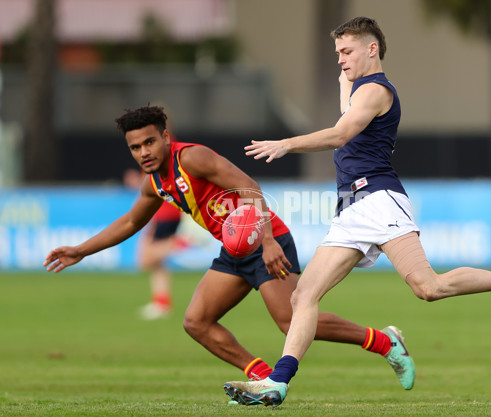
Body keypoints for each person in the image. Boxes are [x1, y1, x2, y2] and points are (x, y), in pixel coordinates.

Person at [222, 16, 491, 407]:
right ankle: (278, 383)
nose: (340, 59)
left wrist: (287, 143)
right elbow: (347, 116)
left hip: (378, 199)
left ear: (372, 49)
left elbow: (340, 134)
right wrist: (344, 78)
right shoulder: (359, 90)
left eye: (347, 51)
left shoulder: (375, 90)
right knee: (303, 296)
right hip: (350, 209)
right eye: (337, 52)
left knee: (429, 288)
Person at [43, 105, 417, 395]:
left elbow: (249, 186)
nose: (143, 152)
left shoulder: (190, 158)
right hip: (234, 250)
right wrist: (80, 250)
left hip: (266, 240)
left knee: (291, 322)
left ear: (165, 137)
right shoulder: (154, 183)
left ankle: (385, 342)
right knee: (196, 321)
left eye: (149, 142)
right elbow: (129, 223)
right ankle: (263, 378)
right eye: (135, 147)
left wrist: (269, 241)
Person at [124, 166, 185, 320]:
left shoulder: (157, 149)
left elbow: (162, 180)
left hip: (164, 212)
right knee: (158, 263)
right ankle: (162, 303)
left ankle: (182, 243)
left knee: (144, 260)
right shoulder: (158, 149)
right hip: (166, 212)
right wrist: (138, 182)